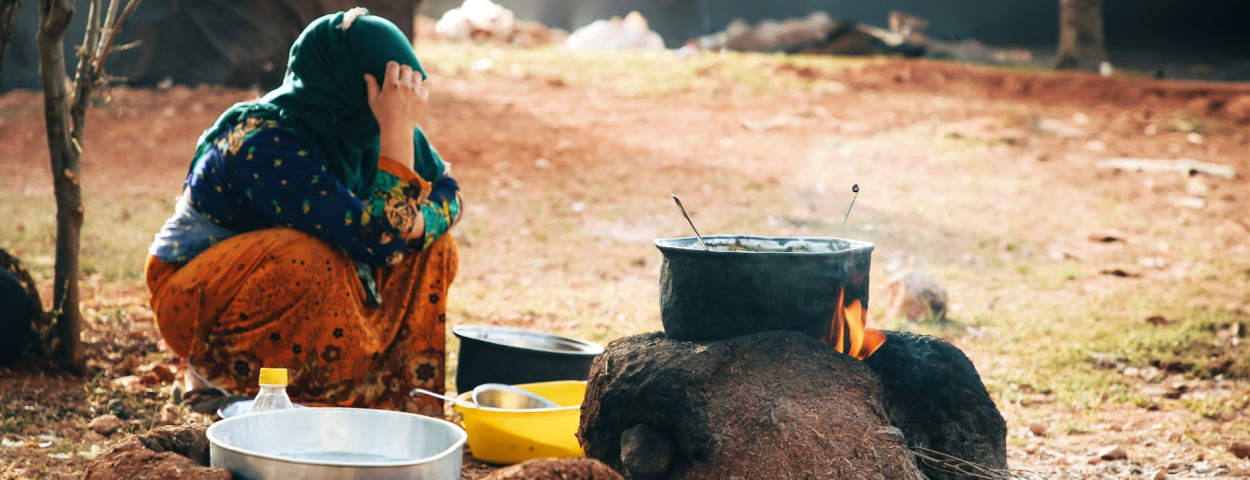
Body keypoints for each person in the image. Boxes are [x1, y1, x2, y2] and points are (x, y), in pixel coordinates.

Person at [144, 8, 461, 415]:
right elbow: (378, 242)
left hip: (318, 284)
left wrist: (415, 222)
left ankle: (381, 397)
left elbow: (449, 192)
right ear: (354, 86)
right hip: (196, 300)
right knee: (310, 257)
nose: (404, 106)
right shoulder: (264, 142)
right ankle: (229, 380)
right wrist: (396, 135)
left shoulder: (367, 126)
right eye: (394, 92)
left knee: (434, 246)